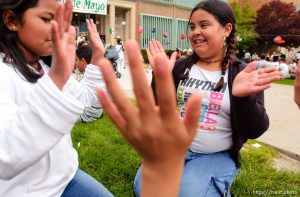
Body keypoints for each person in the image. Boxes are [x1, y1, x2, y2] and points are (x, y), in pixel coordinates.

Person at [133, 0, 282, 196]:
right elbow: (154, 109)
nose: (195, 32)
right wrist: (160, 77)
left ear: (226, 29)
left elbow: (256, 130)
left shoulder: (242, 73)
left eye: (204, 25)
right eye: (192, 26)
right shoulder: (179, 67)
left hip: (215, 155)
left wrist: (242, 97)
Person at [0, 1, 112, 196]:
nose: (58, 29)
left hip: (67, 177)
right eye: (47, 19)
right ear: (12, 20)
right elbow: (6, 157)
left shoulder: (44, 68)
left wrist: (98, 55)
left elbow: (87, 104)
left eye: (60, 21)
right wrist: (57, 78)